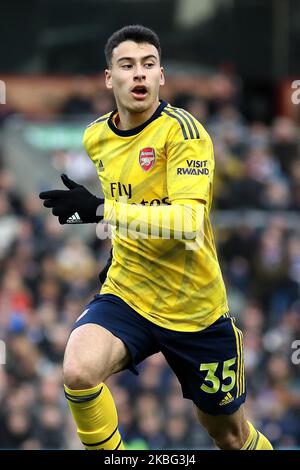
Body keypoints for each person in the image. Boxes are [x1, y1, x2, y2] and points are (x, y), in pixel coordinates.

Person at [39, 25, 273, 451]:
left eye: (148, 65)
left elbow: (186, 222)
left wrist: (100, 211)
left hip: (194, 309)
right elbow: (129, 201)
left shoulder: (184, 133)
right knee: (77, 370)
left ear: (162, 76)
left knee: (231, 437)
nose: (139, 75)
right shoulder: (96, 137)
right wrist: (114, 246)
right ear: (109, 78)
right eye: (127, 66)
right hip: (129, 292)